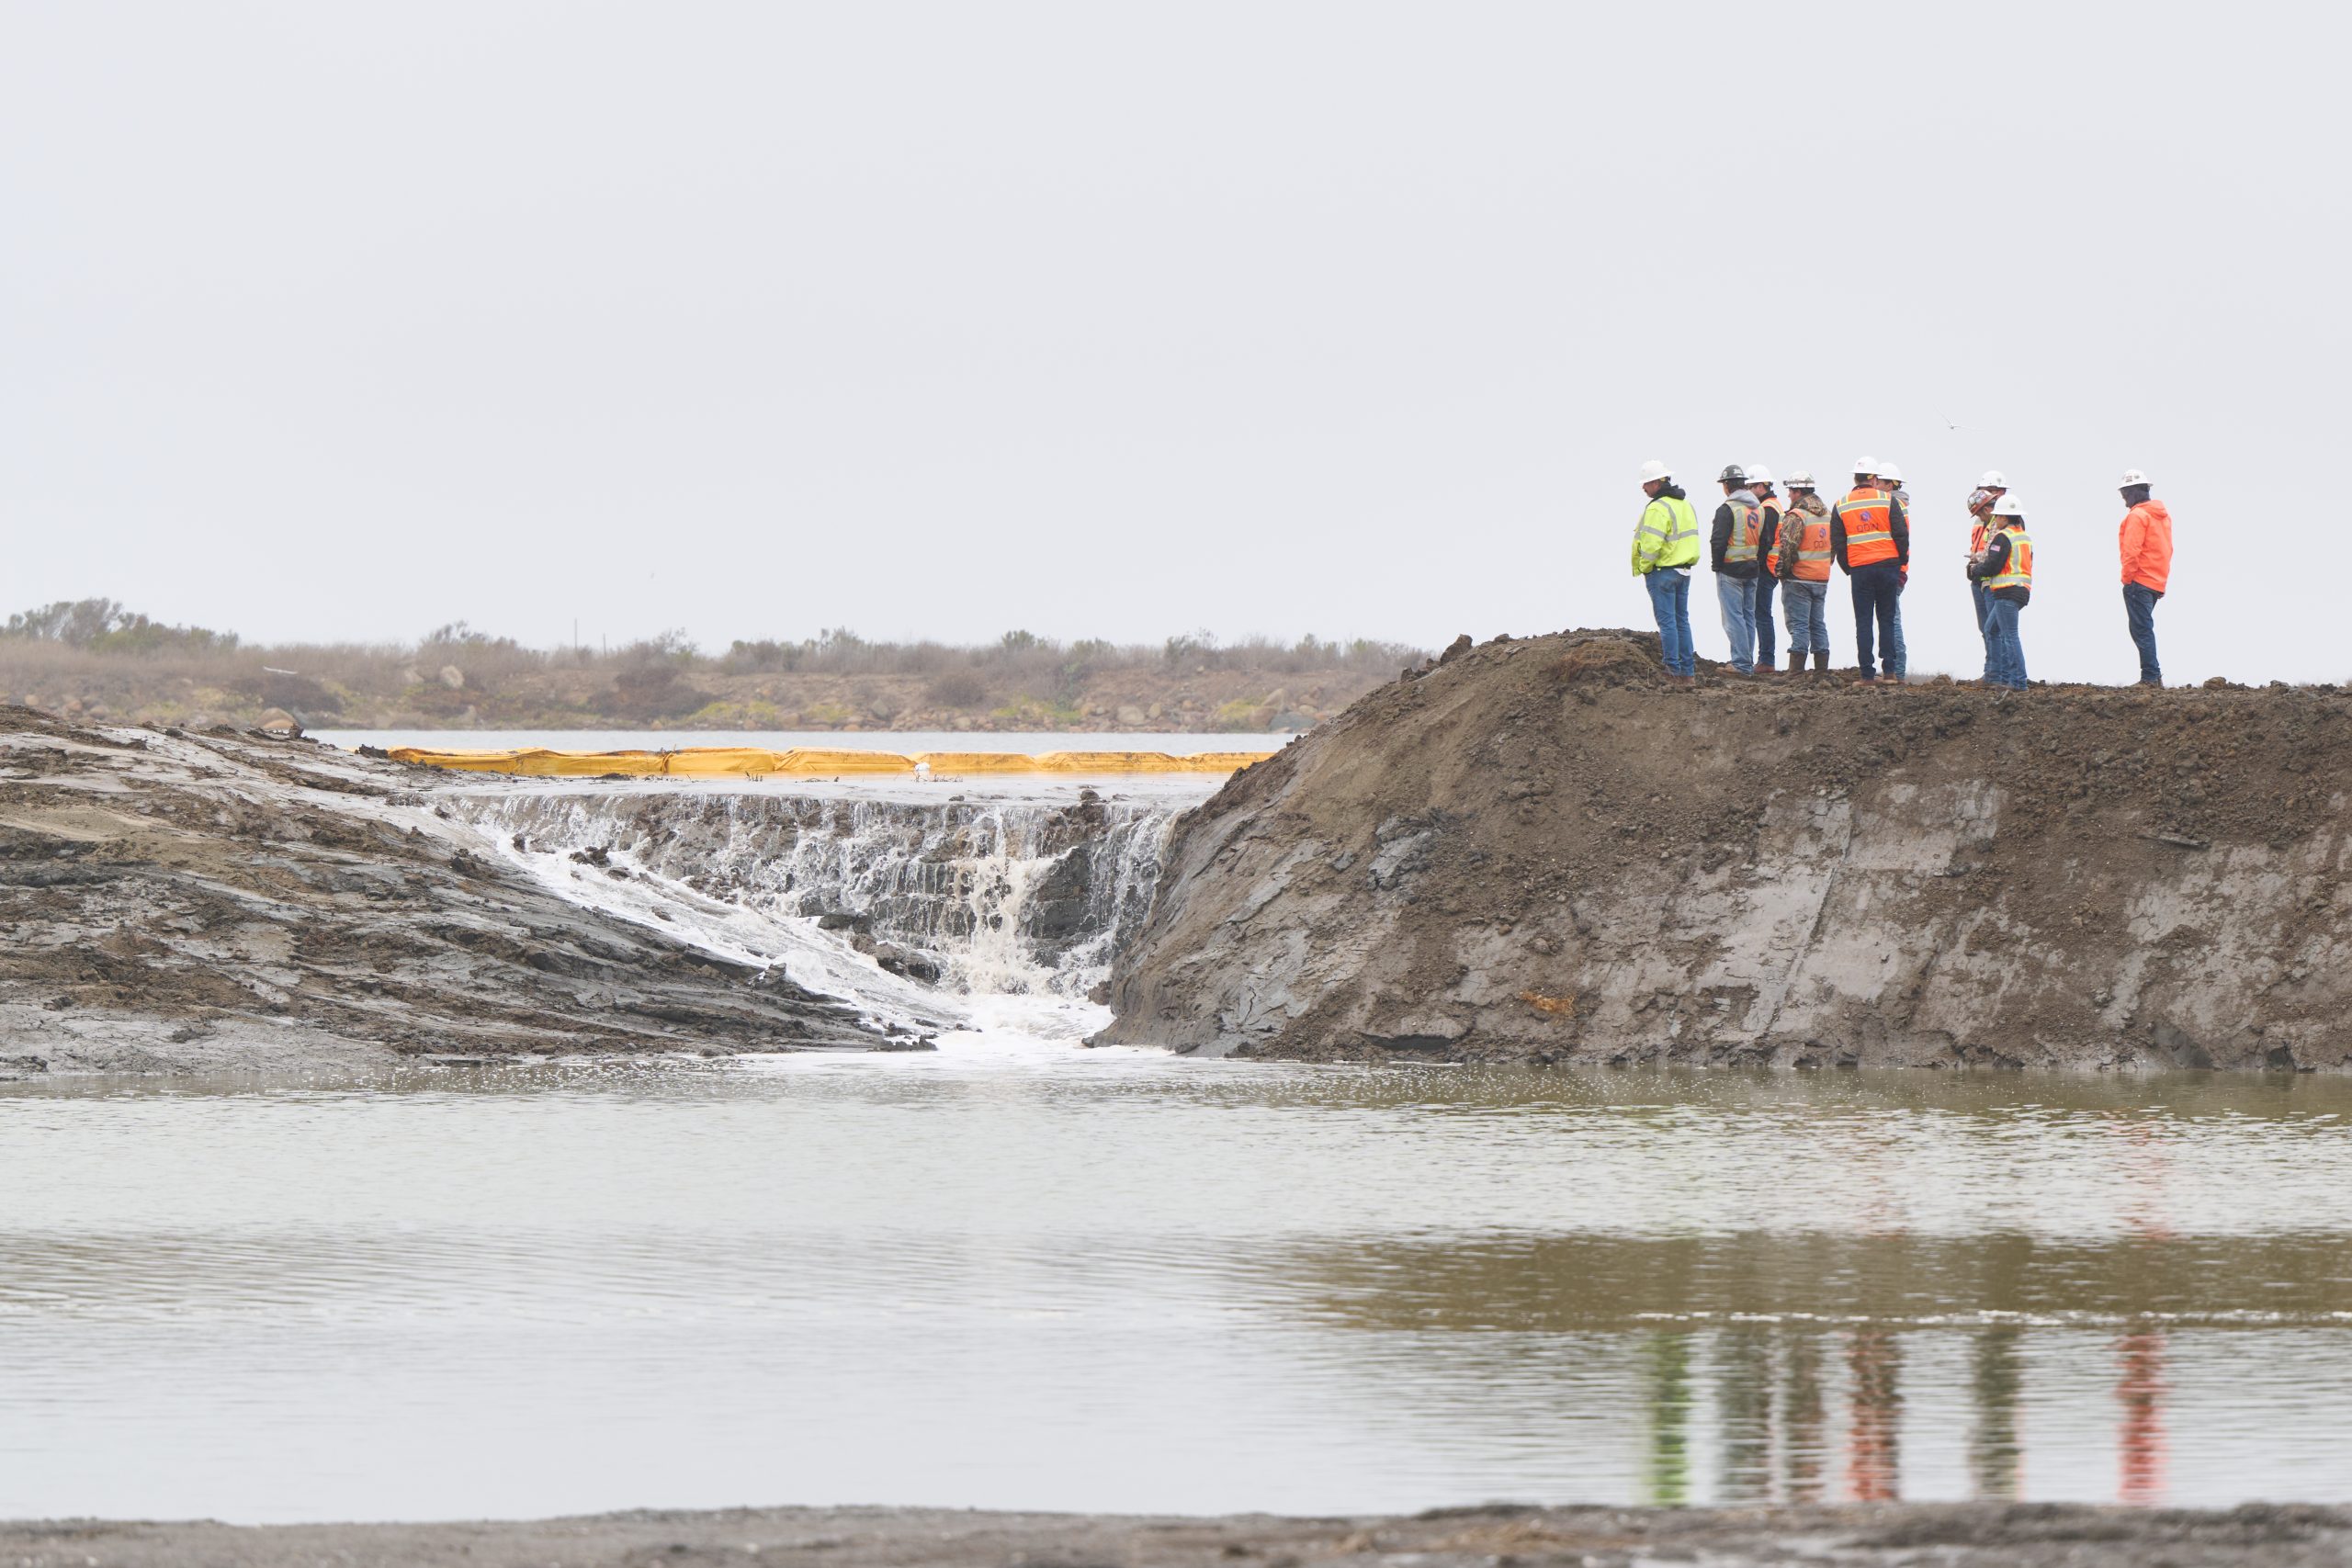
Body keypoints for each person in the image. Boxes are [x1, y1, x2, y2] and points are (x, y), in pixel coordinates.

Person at [1830, 457, 1910, 682]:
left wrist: (1850, 568)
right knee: (1887, 619)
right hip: (1888, 568)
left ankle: (1867, 674)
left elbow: (1838, 543)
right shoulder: (1887, 501)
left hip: (1860, 570)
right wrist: (1898, 561)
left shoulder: (1842, 504)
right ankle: (1891, 672)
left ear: (1855, 478)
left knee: (1863, 621)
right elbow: (1901, 534)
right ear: (1874, 479)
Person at [1631, 459, 1701, 679]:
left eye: (1646, 483)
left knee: (1668, 623)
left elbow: (1651, 545)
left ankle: (1672, 671)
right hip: (1684, 570)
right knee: (1682, 620)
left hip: (1662, 572)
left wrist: (1644, 566)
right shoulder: (1685, 505)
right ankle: (1687, 673)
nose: (1643, 488)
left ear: (1656, 483)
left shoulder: (1657, 508)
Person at [1968, 493, 2033, 692]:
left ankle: (2018, 682)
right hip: (2020, 591)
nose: (1996, 519)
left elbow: (1992, 566)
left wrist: (1974, 570)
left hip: (2007, 592)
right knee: (1992, 629)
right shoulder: (2024, 537)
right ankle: (2005, 679)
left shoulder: (2002, 537)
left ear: (2004, 517)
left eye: (1998, 516)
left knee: (2009, 635)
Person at [1773, 470, 1834, 672]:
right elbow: (1833, 548)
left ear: (1798, 491)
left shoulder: (1796, 515)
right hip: (1821, 578)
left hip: (1798, 579)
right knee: (1818, 624)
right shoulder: (1827, 516)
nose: (1789, 495)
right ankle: (1821, 671)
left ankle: (1796, 672)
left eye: (1790, 490)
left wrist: (1782, 572)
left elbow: (1788, 547)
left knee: (1799, 625)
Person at [2117, 468, 2173, 686]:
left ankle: (2150, 676)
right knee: (2144, 628)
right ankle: (2152, 675)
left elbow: (2131, 551)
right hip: (2156, 581)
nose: (2123, 499)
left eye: (2124, 494)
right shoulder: (2162, 517)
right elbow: (2167, 549)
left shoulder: (2137, 516)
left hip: (2139, 581)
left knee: (2141, 629)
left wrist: (2127, 578)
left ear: (2132, 492)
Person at [1709, 464, 1763, 675]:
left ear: (1727, 486)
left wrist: (1716, 565)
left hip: (1731, 570)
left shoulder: (1727, 509)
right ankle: (1746, 662)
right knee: (1748, 616)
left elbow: (1718, 540)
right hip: (1752, 568)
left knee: (1734, 618)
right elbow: (1765, 540)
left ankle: (1740, 664)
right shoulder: (1758, 508)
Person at [1877, 461, 1911, 679]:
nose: (1875, 485)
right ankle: (1895, 669)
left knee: (1891, 619)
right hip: (1895, 570)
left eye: (1879, 481)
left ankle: (1898, 670)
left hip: (1894, 570)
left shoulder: (1894, 506)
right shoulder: (1895, 505)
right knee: (1889, 618)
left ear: (1890, 485)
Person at [1964, 485, 2000, 682]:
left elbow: (1989, 555)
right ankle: (1992, 671)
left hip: (1992, 582)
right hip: (1981, 580)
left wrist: (1975, 563)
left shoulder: (1997, 524)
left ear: (1986, 509)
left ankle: (1996, 673)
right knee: (1986, 629)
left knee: (1993, 630)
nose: (1979, 517)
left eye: (1979, 513)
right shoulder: (1986, 524)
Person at [1748, 465, 1782, 674]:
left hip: (1766, 568)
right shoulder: (1772, 505)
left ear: (1761, 486)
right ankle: (1765, 659)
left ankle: (1766, 660)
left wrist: (1755, 563)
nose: (1748, 490)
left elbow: (1765, 540)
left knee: (1762, 613)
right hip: (1770, 567)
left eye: (1751, 486)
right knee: (1761, 613)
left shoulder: (1768, 508)